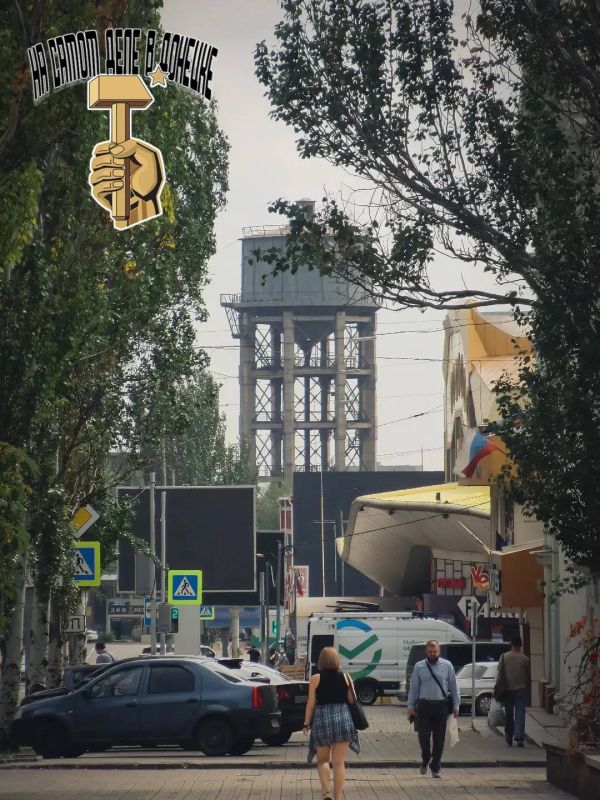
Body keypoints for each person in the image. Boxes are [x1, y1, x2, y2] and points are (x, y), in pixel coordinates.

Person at [303, 646, 359, 800]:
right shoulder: (346, 677)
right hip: (343, 718)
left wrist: (306, 724)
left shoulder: (315, 678)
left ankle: (326, 792)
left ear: (320, 661)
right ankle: (338, 797)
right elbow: (352, 700)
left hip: (322, 719)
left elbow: (311, 704)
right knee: (339, 763)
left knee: (322, 761)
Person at [407, 639, 460, 779]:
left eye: (435, 652)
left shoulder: (447, 666)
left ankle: (435, 767)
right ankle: (426, 758)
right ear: (426, 651)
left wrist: (456, 705)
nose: (432, 654)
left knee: (439, 739)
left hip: (441, 706)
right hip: (423, 706)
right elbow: (413, 688)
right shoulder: (419, 666)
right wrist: (410, 707)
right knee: (423, 736)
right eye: (430, 652)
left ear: (439, 651)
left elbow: (454, 687)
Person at [496, 636, 530, 747]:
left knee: (509, 713)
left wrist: (497, 686)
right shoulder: (525, 659)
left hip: (507, 689)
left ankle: (509, 736)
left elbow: (499, 674)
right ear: (520, 645)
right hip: (521, 688)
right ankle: (519, 737)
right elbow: (527, 675)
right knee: (520, 713)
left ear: (511, 645)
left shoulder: (504, 657)